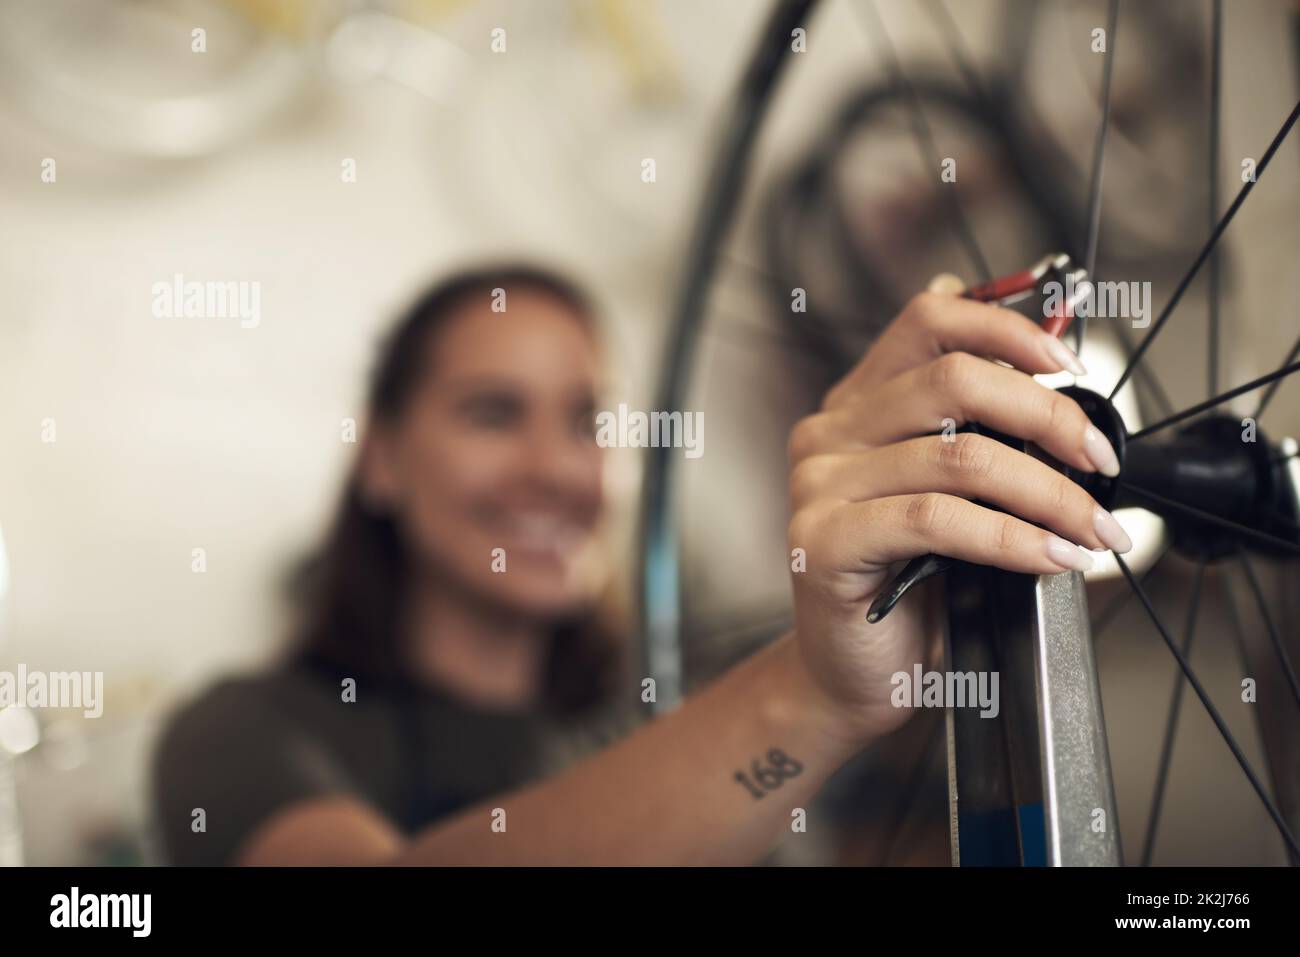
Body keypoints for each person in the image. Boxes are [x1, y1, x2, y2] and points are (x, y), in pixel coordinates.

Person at [152, 265, 1128, 865]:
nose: (554, 469)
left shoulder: (683, 714)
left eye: (587, 424)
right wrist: (813, 691)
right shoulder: (241, 733)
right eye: (493, 413)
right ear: (382, 457)